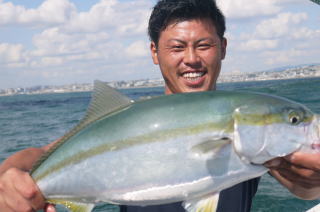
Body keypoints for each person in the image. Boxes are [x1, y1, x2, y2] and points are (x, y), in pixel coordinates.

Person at [0, 0, 319, 211]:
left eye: (204, 45)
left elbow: (303, 185)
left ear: (222, 48)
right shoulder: (127, 119)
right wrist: (9, 175)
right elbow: (39, 155)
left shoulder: (259, 148)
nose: (191, 59)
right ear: (155, 52)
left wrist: (313, 182)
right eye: (177, 47)